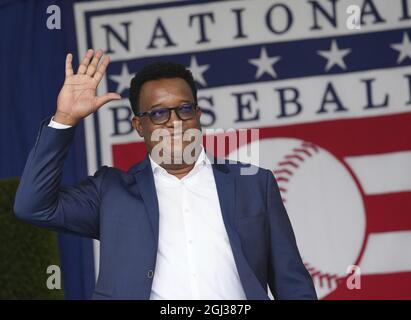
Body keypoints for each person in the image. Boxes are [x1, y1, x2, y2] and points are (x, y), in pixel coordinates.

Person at [14, 49, 317, 300]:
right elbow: (33, 206)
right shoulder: (111, 192)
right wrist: (65, 119)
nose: (174, 122)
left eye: (184, 109)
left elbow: (292, 283)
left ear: (198, 115)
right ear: (139, 126)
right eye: (158, 113)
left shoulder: (254, 183)